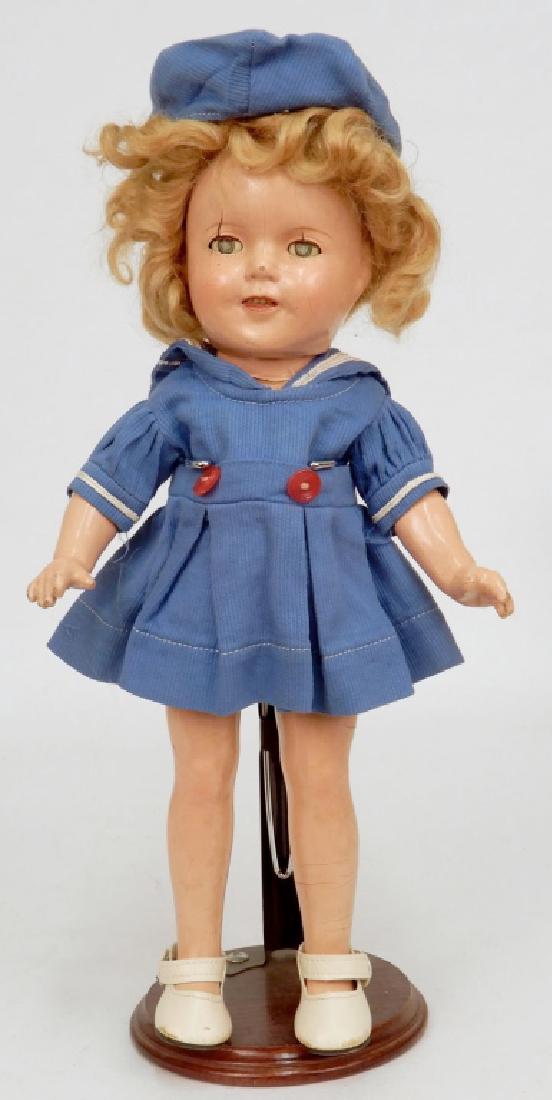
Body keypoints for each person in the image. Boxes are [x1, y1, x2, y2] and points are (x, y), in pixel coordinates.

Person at [26, 30, 514, 1054]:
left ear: (368, 259)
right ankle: (197, 962)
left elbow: (410, 495)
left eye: (302, 246)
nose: (259, 270)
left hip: (325, 602)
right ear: (177, 253)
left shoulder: (357, 400)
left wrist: (458, 566)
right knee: (201, 774)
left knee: (320, 774)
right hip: (198, 596)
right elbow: (110, 476)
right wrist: (75, 550)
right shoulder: (182, 395)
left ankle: (328, 959)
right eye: (224, 243)